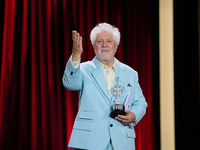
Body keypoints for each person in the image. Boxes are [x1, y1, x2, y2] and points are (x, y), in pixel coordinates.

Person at [62, 23, 147, 150]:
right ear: (93, 46)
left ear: (116, 46)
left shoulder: (130, 73)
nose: (105, 45)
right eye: (100, 41)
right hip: (90, 141)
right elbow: (70, 84)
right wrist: (75, 56)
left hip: (121, 141)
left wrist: (133, 115)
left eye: (109, 41)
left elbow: (140, 102)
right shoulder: (83, 69)